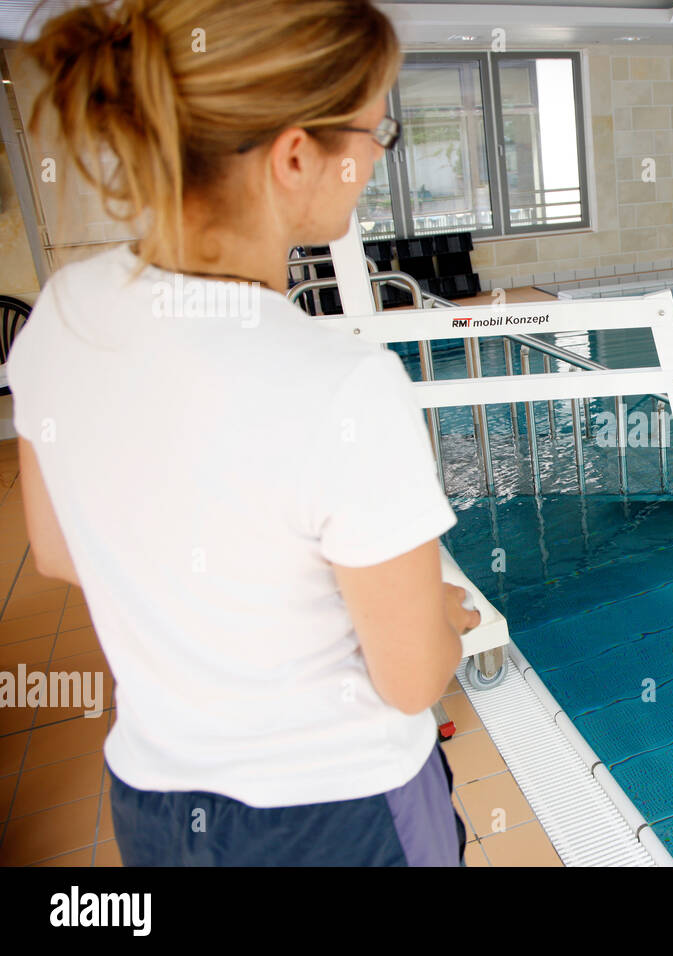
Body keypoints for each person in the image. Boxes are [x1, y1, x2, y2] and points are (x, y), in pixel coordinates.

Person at [9, 0, 479, 865]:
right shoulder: (339, 384)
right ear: (298, 154)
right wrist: (444, 618)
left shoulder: (62, 317)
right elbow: (410, 678)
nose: (380, 156)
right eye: (381, 130)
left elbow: (58, 551)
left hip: (157, 800)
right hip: (339, 812)